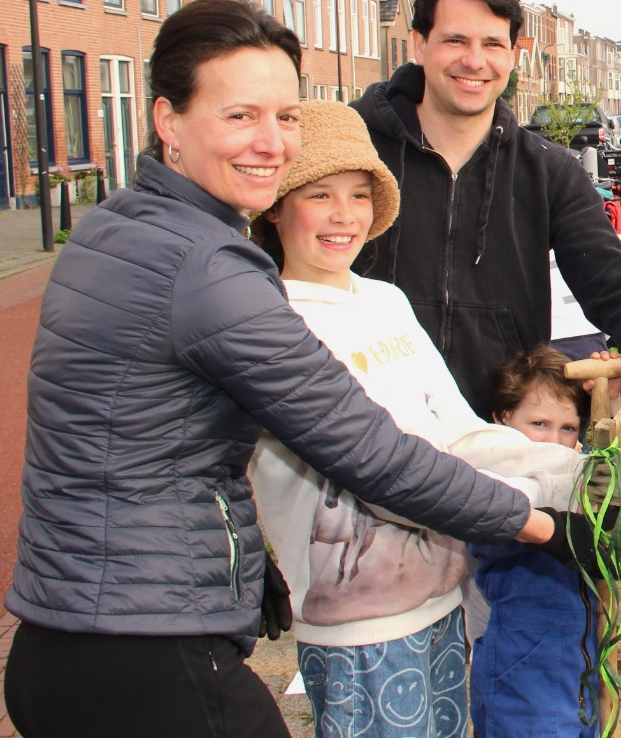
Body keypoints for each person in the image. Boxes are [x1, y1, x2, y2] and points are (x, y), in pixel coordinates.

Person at [3, 0, 584, 738]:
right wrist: (534, 523)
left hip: (71, 628)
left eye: (284, 116)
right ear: (168, 120)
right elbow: (366, 451)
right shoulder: (210, 269)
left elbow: (146, 444)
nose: (271, 143)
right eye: (239, 116)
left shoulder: (119, 227)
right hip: (144, 654)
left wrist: (245, 563)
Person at [247, 101, 588, 737]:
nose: (344, 215)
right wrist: (533, 514)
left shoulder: (385, 301)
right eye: (319, 195)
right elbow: (379, 476)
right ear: (275, 204)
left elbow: (457, 430)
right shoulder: (273, 322)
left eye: (358, 194)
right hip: (357, 625)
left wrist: (576, 475)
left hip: (441, 597)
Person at [352, 0, 621, 418]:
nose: (474, 61)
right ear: (419, 44)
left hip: (499, 430)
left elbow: (613, 283)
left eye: (492, 44)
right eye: (455, 40)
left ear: (513, 56)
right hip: (372, 424)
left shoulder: (547, 172)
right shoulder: (356, 149)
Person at [471, 346, 601, 738]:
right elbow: (500, 522)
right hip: (523, 669)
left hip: (581, 665)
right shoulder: (494, 486)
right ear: (502, 419)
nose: (553, 441)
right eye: (539, 423)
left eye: (568, 428)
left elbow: (601, 477)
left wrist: (608, 399)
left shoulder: (575, 475)